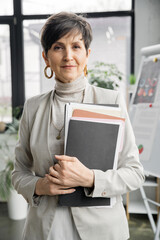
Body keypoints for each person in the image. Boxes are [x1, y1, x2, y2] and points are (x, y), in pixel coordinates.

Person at [12, 12, 145, 240]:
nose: (68, 56)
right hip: (45, 229)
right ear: (46, 57)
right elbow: (19, 172)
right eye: (57, 47)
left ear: (87, 54)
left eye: (76, 46)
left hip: (101, 230)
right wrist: (40, 186)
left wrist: (91, 179)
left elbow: (134, 173)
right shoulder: (33, 107)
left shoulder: (110, 101)